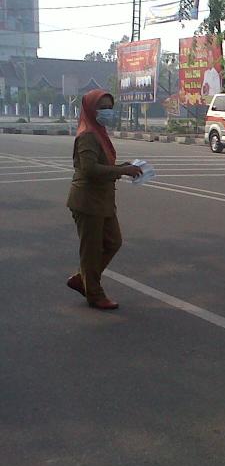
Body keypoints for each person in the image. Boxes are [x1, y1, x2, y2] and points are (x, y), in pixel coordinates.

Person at [66, 89, 142, 310]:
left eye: (110, 107)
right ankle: (94, 294)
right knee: (90, 251)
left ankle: (83, 280)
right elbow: (89, 169)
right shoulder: (88, 134)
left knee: (113, 242)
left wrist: (122, 168)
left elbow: (102, 165)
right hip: (88, 201)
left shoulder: (99, 132)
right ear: (91, 109)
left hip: (102, 200)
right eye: (102, 108)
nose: (107, 112)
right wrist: (122, 170)